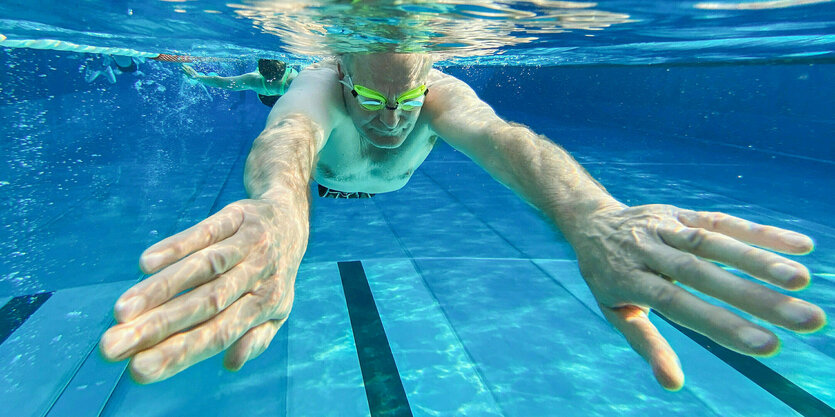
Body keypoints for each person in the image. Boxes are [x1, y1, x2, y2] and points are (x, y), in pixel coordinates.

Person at [99, 52, 827, 390]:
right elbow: (289, 139)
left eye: (406, 101)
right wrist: (281, 208)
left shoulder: (441, 91)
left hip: (361, 172)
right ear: (344, 77)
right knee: (267, 89)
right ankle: (203, 70)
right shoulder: (322, 84)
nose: (390, 120)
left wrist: (590, 214)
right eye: (370, 98)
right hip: (315, 152)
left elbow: (504, 138)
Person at [181, 59, 298, 107]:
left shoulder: (254, 80)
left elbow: (220, 82)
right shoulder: (291, 82)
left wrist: (196, 76)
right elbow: (220, 82)